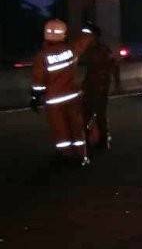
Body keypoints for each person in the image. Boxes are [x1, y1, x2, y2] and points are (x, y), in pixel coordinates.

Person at [30, 19, 94, 166]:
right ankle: (82, 156)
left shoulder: (42, 56)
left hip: (54, 101)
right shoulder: (71, 50)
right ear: (64, 34)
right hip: (73, 97)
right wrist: (88, 30)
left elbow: (38, 80)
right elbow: (83, 42)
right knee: (77, 127)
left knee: (61, 130)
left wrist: (35, 97)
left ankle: (66, 156)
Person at [80, 21, 120, 151]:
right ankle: (90, 139)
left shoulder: (102, 50)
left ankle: (103, 140)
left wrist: (117, 83)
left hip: (101, 86)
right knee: (86, 113)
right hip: (89, 85)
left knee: (99, 113)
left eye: (89, 35)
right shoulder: (85, 49)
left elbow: (114, 66)